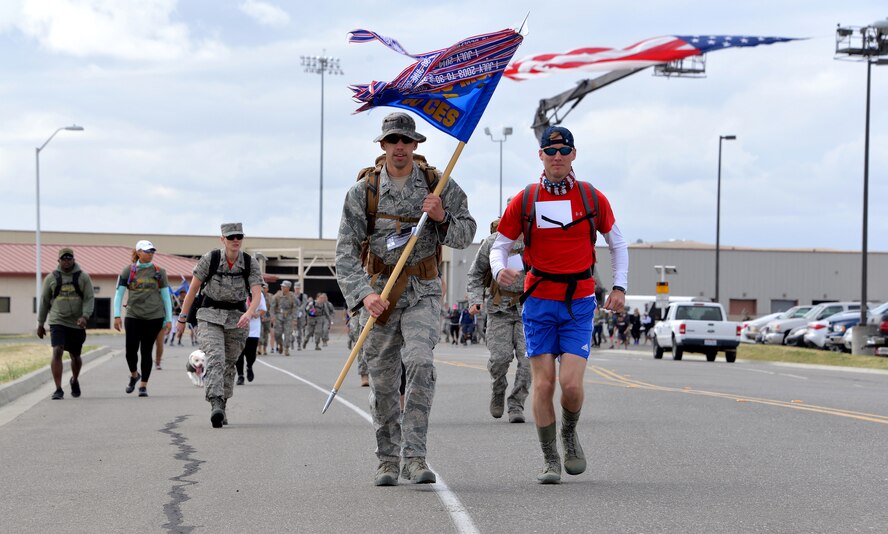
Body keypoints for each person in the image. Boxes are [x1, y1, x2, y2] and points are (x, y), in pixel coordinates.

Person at [335, 111, 476, 486]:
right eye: (392, 141)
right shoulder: (362, 192)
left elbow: (465, 235)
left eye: (406, 141)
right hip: (379, 296)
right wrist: (364, 296)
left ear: (415, 145)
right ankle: (386, 460)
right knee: (382, 381)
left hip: (422, 294)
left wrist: (442, 215)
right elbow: (345, 254)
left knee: (419, 363)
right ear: (382, 146)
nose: (399, 147)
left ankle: (415, 456)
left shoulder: (437, 184)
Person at [490, 125, 628, 484]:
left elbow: (617, 243)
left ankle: (568, 433)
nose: (556, 157)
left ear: (573, 155)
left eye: (563, 151)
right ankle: (550, 458)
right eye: (550, 151)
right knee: (544, 384)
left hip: (579, 303)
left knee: (570, 385)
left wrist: (619, 287)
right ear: (540, 155)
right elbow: (499, 244)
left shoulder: (591, 197)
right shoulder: (526, 199)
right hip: (538, 303)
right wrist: (499, 269)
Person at [176, 223, 262, 428]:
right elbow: (193, 290)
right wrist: (182, 318)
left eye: (238, 236)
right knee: (216, 357)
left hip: (237, 317)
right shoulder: (210, 259)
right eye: (230, 237)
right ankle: (215, 402)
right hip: (209, 315)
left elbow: (257, 293)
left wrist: (249, 314)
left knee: (229, 364)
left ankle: (222, 404)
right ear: (222, 239)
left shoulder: (250, 263)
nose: (235, 240)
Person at [466, 217, 531, 423]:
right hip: (498, 309)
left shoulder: (536, 241)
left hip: (528, 310)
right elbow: (475, 273)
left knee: (528, 361)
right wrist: (475, 300)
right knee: (499, 359)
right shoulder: (493, 242)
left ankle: (516, 404)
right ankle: (498, 388)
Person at [113, 240, 172, 397]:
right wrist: (117, 315)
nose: (150, 254)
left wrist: (169, 319)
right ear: (138, 252)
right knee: (130, 351)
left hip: (154, 316)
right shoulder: (129, 271)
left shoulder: (160, 271)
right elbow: (118, 294)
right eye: (147, 251)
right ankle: (134, 374)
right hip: (133, 315)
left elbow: (166, 297)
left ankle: (143, 385)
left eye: (152, 251)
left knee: (146, 351)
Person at [36, 247, 95, 400]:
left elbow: (89, 298)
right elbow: (43, 301)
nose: (67, 261)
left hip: (77, 322)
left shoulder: (83, 277)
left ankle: (74, 380)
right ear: (59, 260)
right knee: (57, 351)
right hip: (57, 320)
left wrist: (85, 316)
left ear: (74, 260)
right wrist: (41, 323)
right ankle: (58, 389)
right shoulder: (51, 278)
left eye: (69, 258)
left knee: (75, 355)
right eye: (64, 258)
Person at [236, 280, 267, 384]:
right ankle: (240, 376)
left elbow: (263, 309)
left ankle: (249, 366)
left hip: (253, 328)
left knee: (251, 352)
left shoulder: (258, 294)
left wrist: (256, 314)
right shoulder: (237, 292)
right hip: (239, 326)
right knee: (239, 353)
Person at [271, 281, 297, 355]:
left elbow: (295, 308)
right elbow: (272, 307)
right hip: (278, 316)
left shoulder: (292, 296)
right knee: (277, 333)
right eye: (282, 286)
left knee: (287, 333)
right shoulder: (277, 296)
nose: (282, 287)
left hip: (288, 317)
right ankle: (280, 344)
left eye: (284, 286)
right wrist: (272, 316)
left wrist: (294, 319)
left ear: (288, 288)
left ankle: (286, 348)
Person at [259, 283, 272, 355]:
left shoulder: (270, 297)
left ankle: (264, 348)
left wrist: (272, 317)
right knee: (260, 333)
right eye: (262, 288)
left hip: (267, 318)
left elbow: (272, 308)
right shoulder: (258, 296)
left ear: (267, 289)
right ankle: (259, 348)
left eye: (265, 288)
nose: (263, 289)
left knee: (266, 334)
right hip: (259, 317)